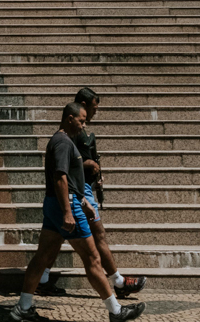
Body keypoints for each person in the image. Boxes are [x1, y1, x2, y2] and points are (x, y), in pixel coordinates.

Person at [10, 103, 144, 322]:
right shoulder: (62, 142)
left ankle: (23, 307)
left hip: (58, 203)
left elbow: (69, 179)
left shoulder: (61, 140)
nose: (84, 125)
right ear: (69, 118)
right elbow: (60, 177)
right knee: (92, 258)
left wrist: (83, 200)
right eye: (81, 121)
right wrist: (68, 211)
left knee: (42, 256)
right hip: (65, 206)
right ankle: (116, 311)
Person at [39, 89, 146, 299]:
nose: (91, 118)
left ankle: (39, 282)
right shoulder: (70, 133)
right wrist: (87, 168)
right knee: (97, 237)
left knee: (53, 240)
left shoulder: (76, 130)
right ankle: (118, 284)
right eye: (91, 110)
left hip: (78, 189)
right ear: (81, 106)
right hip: (77, 191)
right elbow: (66, 167)